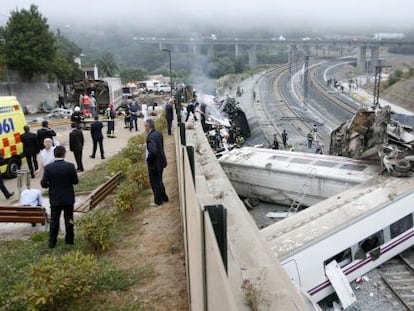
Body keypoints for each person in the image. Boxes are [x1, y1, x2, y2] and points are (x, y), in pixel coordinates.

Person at [41, 146, 78, 248]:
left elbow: (43, 183)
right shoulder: (70, 166)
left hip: (55, 198)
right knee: (69, 219)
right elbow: (75, 181)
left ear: (54, 154)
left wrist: (51, 185)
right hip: (68, 197)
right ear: (64, 154)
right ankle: (70, 240)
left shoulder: (48, 167)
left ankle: (52, 242)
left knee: (54, 220)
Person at [145, 119, 168, 207]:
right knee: (159, 180)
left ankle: (158, 201)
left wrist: (149, 160)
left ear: (148, 126)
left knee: (155, 182)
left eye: (145, 126)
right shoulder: (158, 133)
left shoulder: (150, 137)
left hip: (154, 164)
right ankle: (164, 197)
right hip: (161, 161)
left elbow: (153, 151)